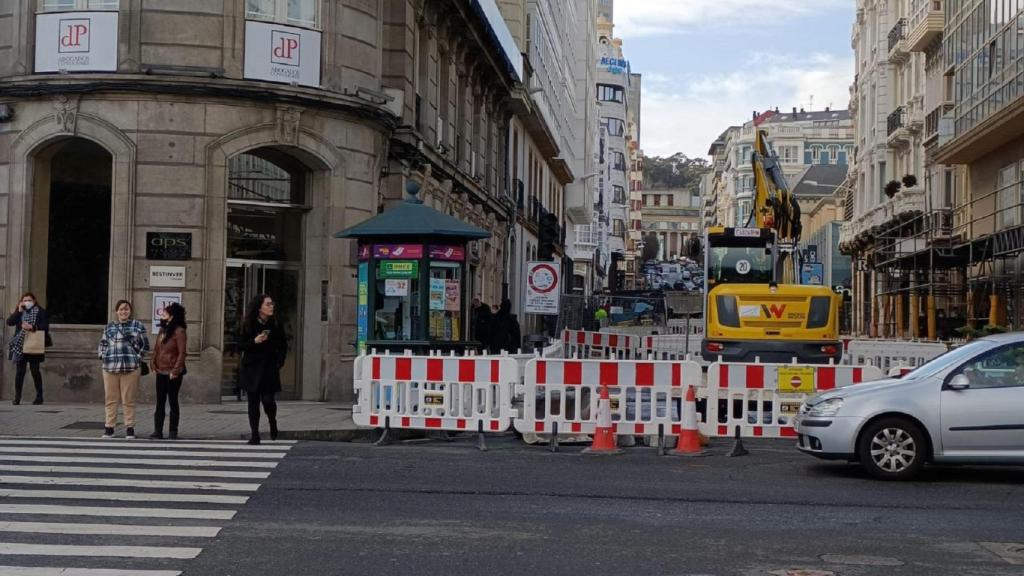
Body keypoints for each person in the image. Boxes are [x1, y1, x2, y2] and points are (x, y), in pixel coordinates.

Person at [238, 294, 287, 444]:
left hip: (269, 367)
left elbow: (283, 344)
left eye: (272, 304)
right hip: (252, 367)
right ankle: (255, 434)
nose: (271, 306)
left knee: (268, 400)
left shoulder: (276, 323)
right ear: (259, 307)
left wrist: (279, 361)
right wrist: (254, 341)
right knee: (253, 401)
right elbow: (239, 345)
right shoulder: (248, 324)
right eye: (268, 304)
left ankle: (272, 420)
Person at [98, 300, 150, 439]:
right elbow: (102, 344)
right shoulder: (109, 327)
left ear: (130, 311)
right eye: (121, 309)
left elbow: (145, 346)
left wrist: (137, 357)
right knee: (110, 399)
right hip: (110, 367)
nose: (124, 312)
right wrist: (103, 356)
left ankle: (130, 428)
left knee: (129, 399)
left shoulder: (138, 326)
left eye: (126, 309)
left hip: (131, 368)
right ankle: (109, 427)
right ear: (117, 312)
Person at [150, 302, 187, 439]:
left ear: (172, 316)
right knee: (160, 401)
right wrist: (153, 364)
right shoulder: (163, 330)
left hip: (173, 371)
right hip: (161, 370)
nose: (162, 315)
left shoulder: (179, 331)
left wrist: (175, 371)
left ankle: (173, 431)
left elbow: (182, 353)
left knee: (173, 400)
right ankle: (157, 430)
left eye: (165, 313)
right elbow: (156, 349)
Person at [6, 292, 49, 405]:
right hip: (20, 346)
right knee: (20, 372)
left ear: (34, 301)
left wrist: (32, 327)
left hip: (34, 345)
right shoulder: (20, 312)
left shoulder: (40, 311)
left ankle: (39, 397)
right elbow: (9, 322)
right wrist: (18, 311)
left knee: (35, 371)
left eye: (29, 300)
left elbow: (45, 327)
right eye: (25, 300)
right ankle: (17, 397)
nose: (27, 302)